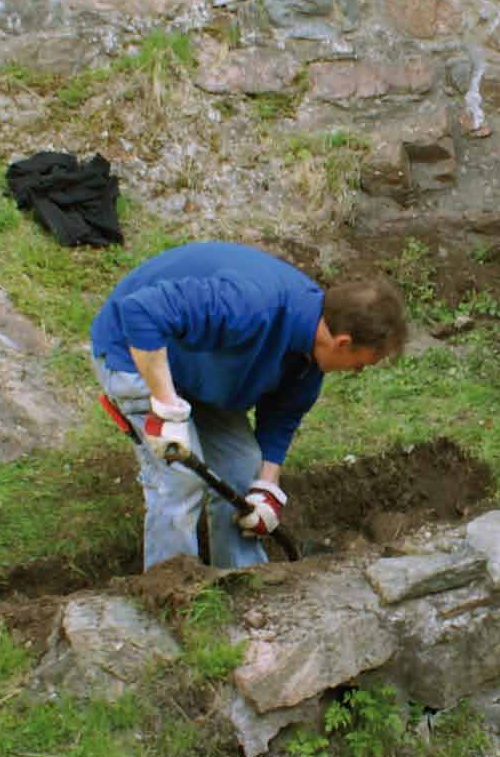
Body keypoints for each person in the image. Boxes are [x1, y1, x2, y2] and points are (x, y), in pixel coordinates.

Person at [91, 241, 405, 568]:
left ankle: (244, 579)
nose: (356, 372)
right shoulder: (251, 304)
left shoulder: (311, 351)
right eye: (360, 364)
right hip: (134, 353)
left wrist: (266, 487)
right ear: (343, 342)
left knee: (244, 466)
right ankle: (171, 594)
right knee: (181, 478)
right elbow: (140, 312)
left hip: (195, 365)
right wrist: (168, 407)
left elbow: (282, 418)